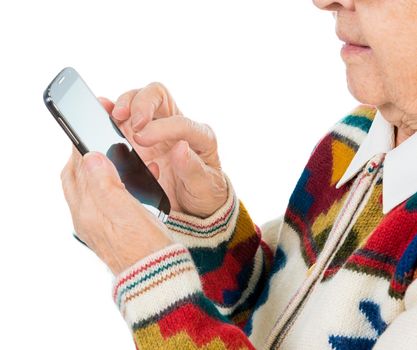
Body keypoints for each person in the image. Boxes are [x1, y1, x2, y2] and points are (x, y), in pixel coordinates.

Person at [59, 0, 417, 349]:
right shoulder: (357, 135)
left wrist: (151, 283)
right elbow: (273, 317)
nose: (324, 2)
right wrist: (207, 227)